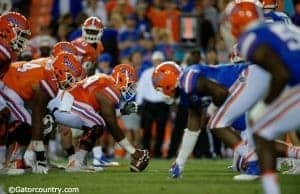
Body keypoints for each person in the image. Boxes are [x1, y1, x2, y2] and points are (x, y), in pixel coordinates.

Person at [224, 1, 300, 194]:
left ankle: (270, 188)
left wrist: (268, 102)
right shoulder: (282, 24)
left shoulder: (251, 39)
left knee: (259, 129)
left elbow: (281, 74)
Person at [47, 64, 150, 172]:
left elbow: (103, 113)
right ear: (121, 79)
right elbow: (111, 124)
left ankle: (73, 161)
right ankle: (77, 163)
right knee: (98, 124)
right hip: (69, 105)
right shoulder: (111, 90)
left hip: (64, 103)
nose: (131, 88)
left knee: (95, 122)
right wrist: (133, 152)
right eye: (130, 84)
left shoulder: (105, 80)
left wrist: (123, 111)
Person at [1, 52, 82, 175]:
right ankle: (11, 161)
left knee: (37, 123)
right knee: (28, 124)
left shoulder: (50, 64)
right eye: (70, 78)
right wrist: (40, 158)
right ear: (60, 71)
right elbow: (37, 117)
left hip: (12, 84)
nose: (71, 83)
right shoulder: (48, 83)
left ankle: (17, 160)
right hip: (8, 87)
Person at [0, 11, 31, 169]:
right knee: (4, 114)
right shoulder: (2, 51)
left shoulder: (7, 50)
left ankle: (11, 160)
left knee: (25, 120)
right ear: (7, 30)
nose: (22, 40)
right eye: (20, 34)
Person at [136, 51, 170, 158]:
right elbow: (140, 89)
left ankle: (158, 152)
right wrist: (139, 104)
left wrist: (169, 101)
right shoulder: (147, 73)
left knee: (161, 130)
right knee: (147, 129)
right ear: (153, 61)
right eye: (156, 60)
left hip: (162, 104)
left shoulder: (168, 74)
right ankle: (146, 151)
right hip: (148, 105)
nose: (158, 62)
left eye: (160, 60)